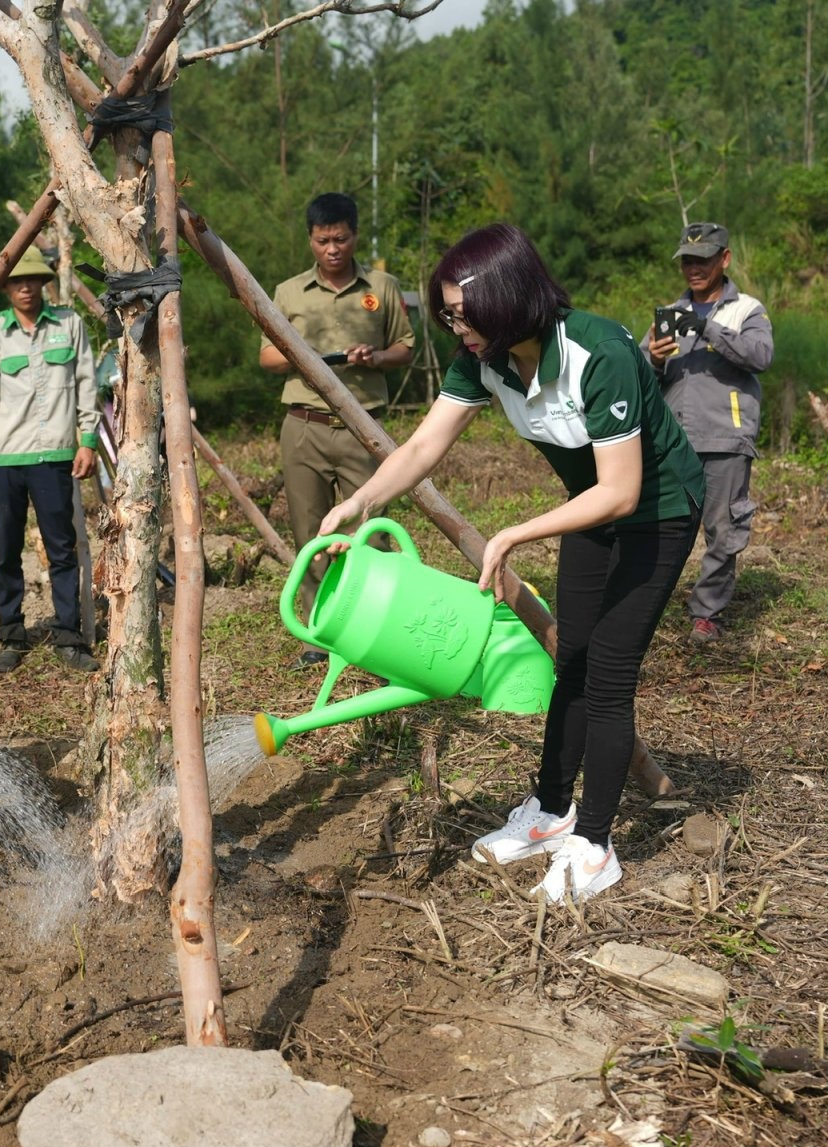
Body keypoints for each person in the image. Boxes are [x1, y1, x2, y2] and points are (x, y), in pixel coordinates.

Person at [318, 224, 703, 905]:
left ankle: (594, 845)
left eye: (464, 314)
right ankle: (551, 811)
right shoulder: (487, 359)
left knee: (609, 674)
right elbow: (424, 444)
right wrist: (361, 500)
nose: (456, 329)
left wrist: (514, 534)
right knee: (573, 659)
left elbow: (624, 489)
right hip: (593, 507)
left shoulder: (598, 351)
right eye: (450, 317)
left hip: (657, 511)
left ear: (508, 295)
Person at [259, 192, 414, 664]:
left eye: (341, 239)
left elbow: (406, 347)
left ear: (354, 236)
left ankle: (381, 636)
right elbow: (265, 357)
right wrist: (302, 358)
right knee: (310, 534)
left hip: (363, 427)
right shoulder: (287, 293)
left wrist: (377, 357)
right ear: (310, 239)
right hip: (303, 426)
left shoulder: (381, 287)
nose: (332, 249)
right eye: (323, 240)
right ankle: (320, 635)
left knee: (373, 531)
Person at [0, 253, 99, 674]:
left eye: (33, 280)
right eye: (17, 281)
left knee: (62, 548)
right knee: (7, 548)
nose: (25, 287)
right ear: (5, 288)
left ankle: (68, 635)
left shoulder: (69, 326)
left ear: (43, 283)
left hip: (56, 456)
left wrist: (88, 440)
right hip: (6, 459)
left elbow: (87, 384)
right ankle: (11, 633)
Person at [642, 222, 774, 644]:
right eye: (687, 260)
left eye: (703, 259)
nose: (694, 268)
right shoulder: (668, 314)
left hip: (726, 439)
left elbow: (760, 355)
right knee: (661, 526)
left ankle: (706, 614)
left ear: (725, 259)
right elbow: (641, 375)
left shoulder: (746, 310)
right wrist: (655, 359)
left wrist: (707, 328)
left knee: (723, 529)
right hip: (673, 441)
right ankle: (649, 604)